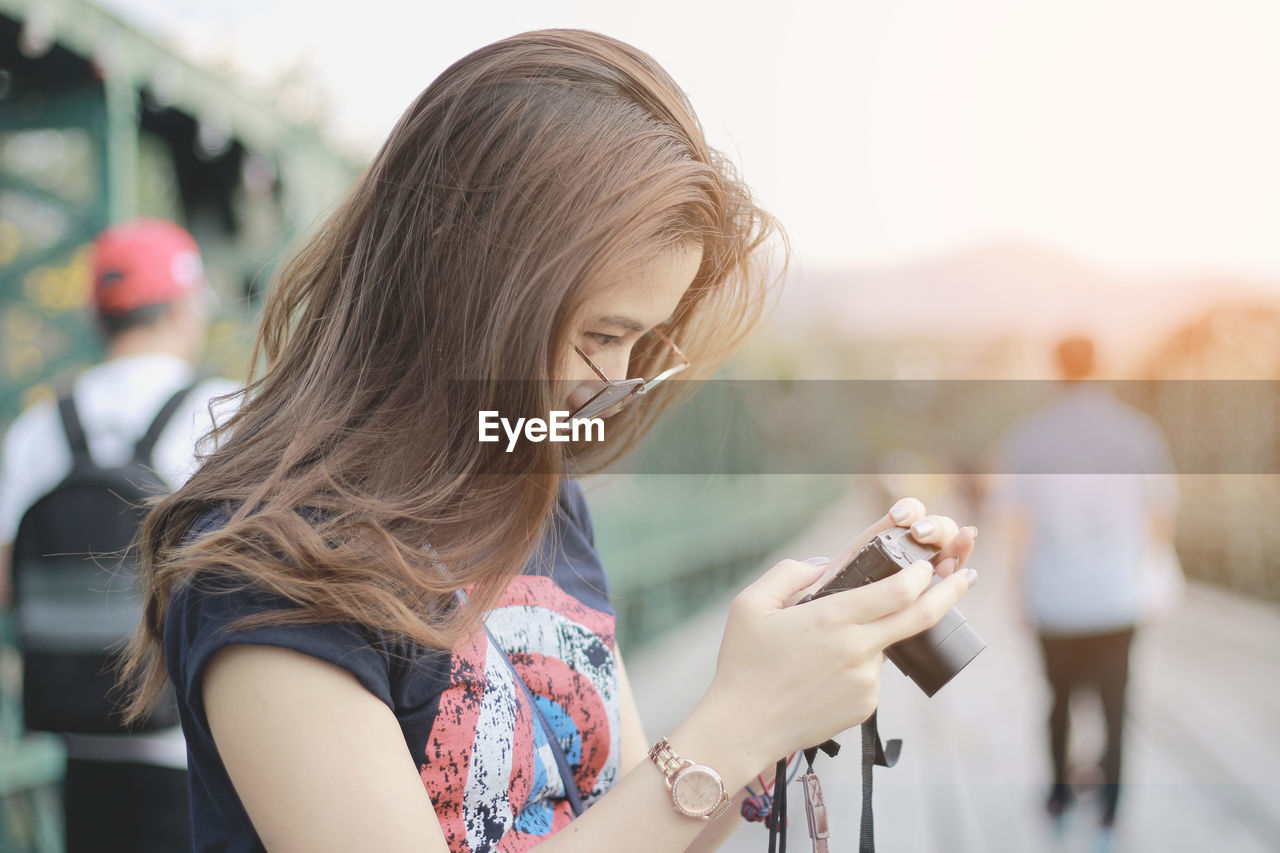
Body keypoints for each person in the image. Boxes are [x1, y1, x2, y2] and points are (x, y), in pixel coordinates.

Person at [120, 30, 979, 853]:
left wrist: (782, 686)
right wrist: (743, 714)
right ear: (466, 275)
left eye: (640, 343)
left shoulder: (536, 487)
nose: (613, 379)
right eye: (601, 335)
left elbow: (633, 814)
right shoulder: (265, 572)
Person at [0, 218, 238, 851]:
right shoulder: (223, 412)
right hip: (189, 741)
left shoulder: (37, 428)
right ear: (183, 308)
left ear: (99, 317)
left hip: (75, 733)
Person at [992, 335, 1178, 850]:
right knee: (1116, 705)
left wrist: (1018, 593)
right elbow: (1159, 514)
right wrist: (1152, 574)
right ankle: (1111, 818)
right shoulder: (1138, 433)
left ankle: (1057, 802)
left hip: (1055, 597)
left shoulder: (1029, 438)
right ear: (1101, 365)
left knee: (1058, 702)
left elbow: (1016, 526)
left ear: (1054, 369)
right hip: (1119, 597)